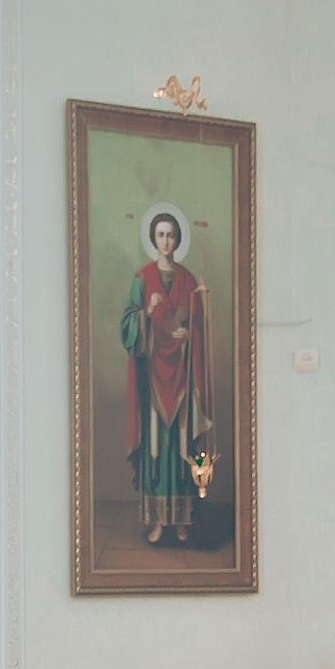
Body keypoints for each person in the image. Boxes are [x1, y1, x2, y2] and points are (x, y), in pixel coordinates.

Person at [120, 209, 212, 546]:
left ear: (178, 239)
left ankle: (183, 519)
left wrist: (190, 337)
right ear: (153, 239)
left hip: (182, 378)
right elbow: (127, 325)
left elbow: (199, 327)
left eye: (171, 235)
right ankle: (158, 521)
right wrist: (146, 312)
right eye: (160, 235)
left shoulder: (189, 280)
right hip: (153, 378)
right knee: (156, 452)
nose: (166, 241)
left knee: (180, 447)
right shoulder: (142, 278)